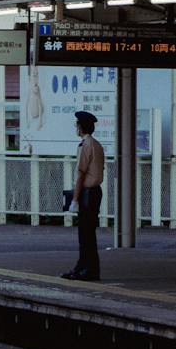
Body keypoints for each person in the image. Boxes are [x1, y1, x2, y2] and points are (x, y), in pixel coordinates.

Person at [63, 110, 105, 281]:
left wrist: (74, 199)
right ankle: (85, 268)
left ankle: (86, 269)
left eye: (77, 125)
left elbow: (81, 174)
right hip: (96, 192)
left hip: (87, 193)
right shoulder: (97, 145)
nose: (76, 127)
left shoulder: (85, 146)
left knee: (85, 234)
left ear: (81, 127)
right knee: (89, 233)